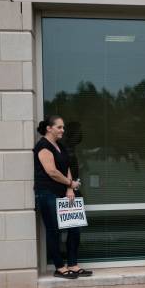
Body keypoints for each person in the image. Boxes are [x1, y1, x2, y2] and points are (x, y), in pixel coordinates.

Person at [34, 115, 92, 279]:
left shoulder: (59, 145)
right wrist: (71, 183)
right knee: (54, 231)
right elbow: (51, 171)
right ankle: (60, 267)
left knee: (75, 228)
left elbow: (66, 166)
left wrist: (69, 188)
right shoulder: (43, 146)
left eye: (63, 127)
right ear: (49, 128)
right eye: (59, 127)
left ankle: (73, 264)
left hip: (64, 192)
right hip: (47, 193)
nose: (63, 130)